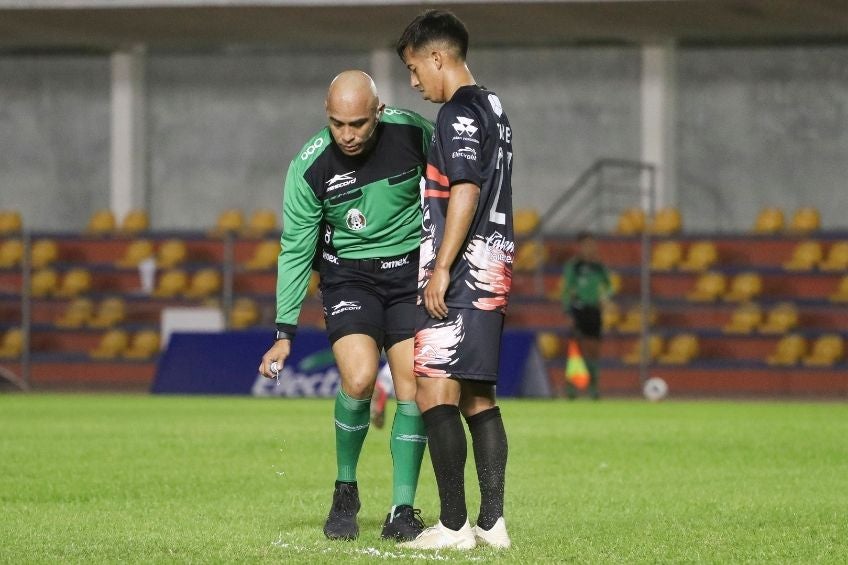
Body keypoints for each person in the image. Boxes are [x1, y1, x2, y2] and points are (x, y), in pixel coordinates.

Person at [258, 70, 433, 542]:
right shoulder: (310, 166)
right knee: (357, 379)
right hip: (348, 277)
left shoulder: (415, 134)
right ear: (326, 115)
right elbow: (295, 248)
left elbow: (455, 188)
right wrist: (283, 332)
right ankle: (345, 489)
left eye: (358, 123)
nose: (348, 135)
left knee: (411, 389)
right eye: (338, 124)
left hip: (407, 277)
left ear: (378, 113)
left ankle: (402, 508)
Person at [395, 10, 514, 550]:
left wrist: (441, 267)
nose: (414, 81)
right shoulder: (493, 105)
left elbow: (463, 188)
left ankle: (452, 525)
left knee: (432, 386)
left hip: (463, 267)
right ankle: (491, 523)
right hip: (493, 262)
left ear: (437, 57)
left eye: (415, 67)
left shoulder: (457, 114)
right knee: (477, 395)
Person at [561, 231, 613, 400]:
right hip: (578, 309)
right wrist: (568, 311)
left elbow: (609, 286)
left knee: (594, 350)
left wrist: (605, 298)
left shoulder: (599, 267)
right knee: (577, 350)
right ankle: (571, 388)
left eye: (592, 244)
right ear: (580, 247)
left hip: (594, 311)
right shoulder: (574, 267)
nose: (589, 248)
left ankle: (593, 387)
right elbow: (567, 289)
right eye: (586, 245)